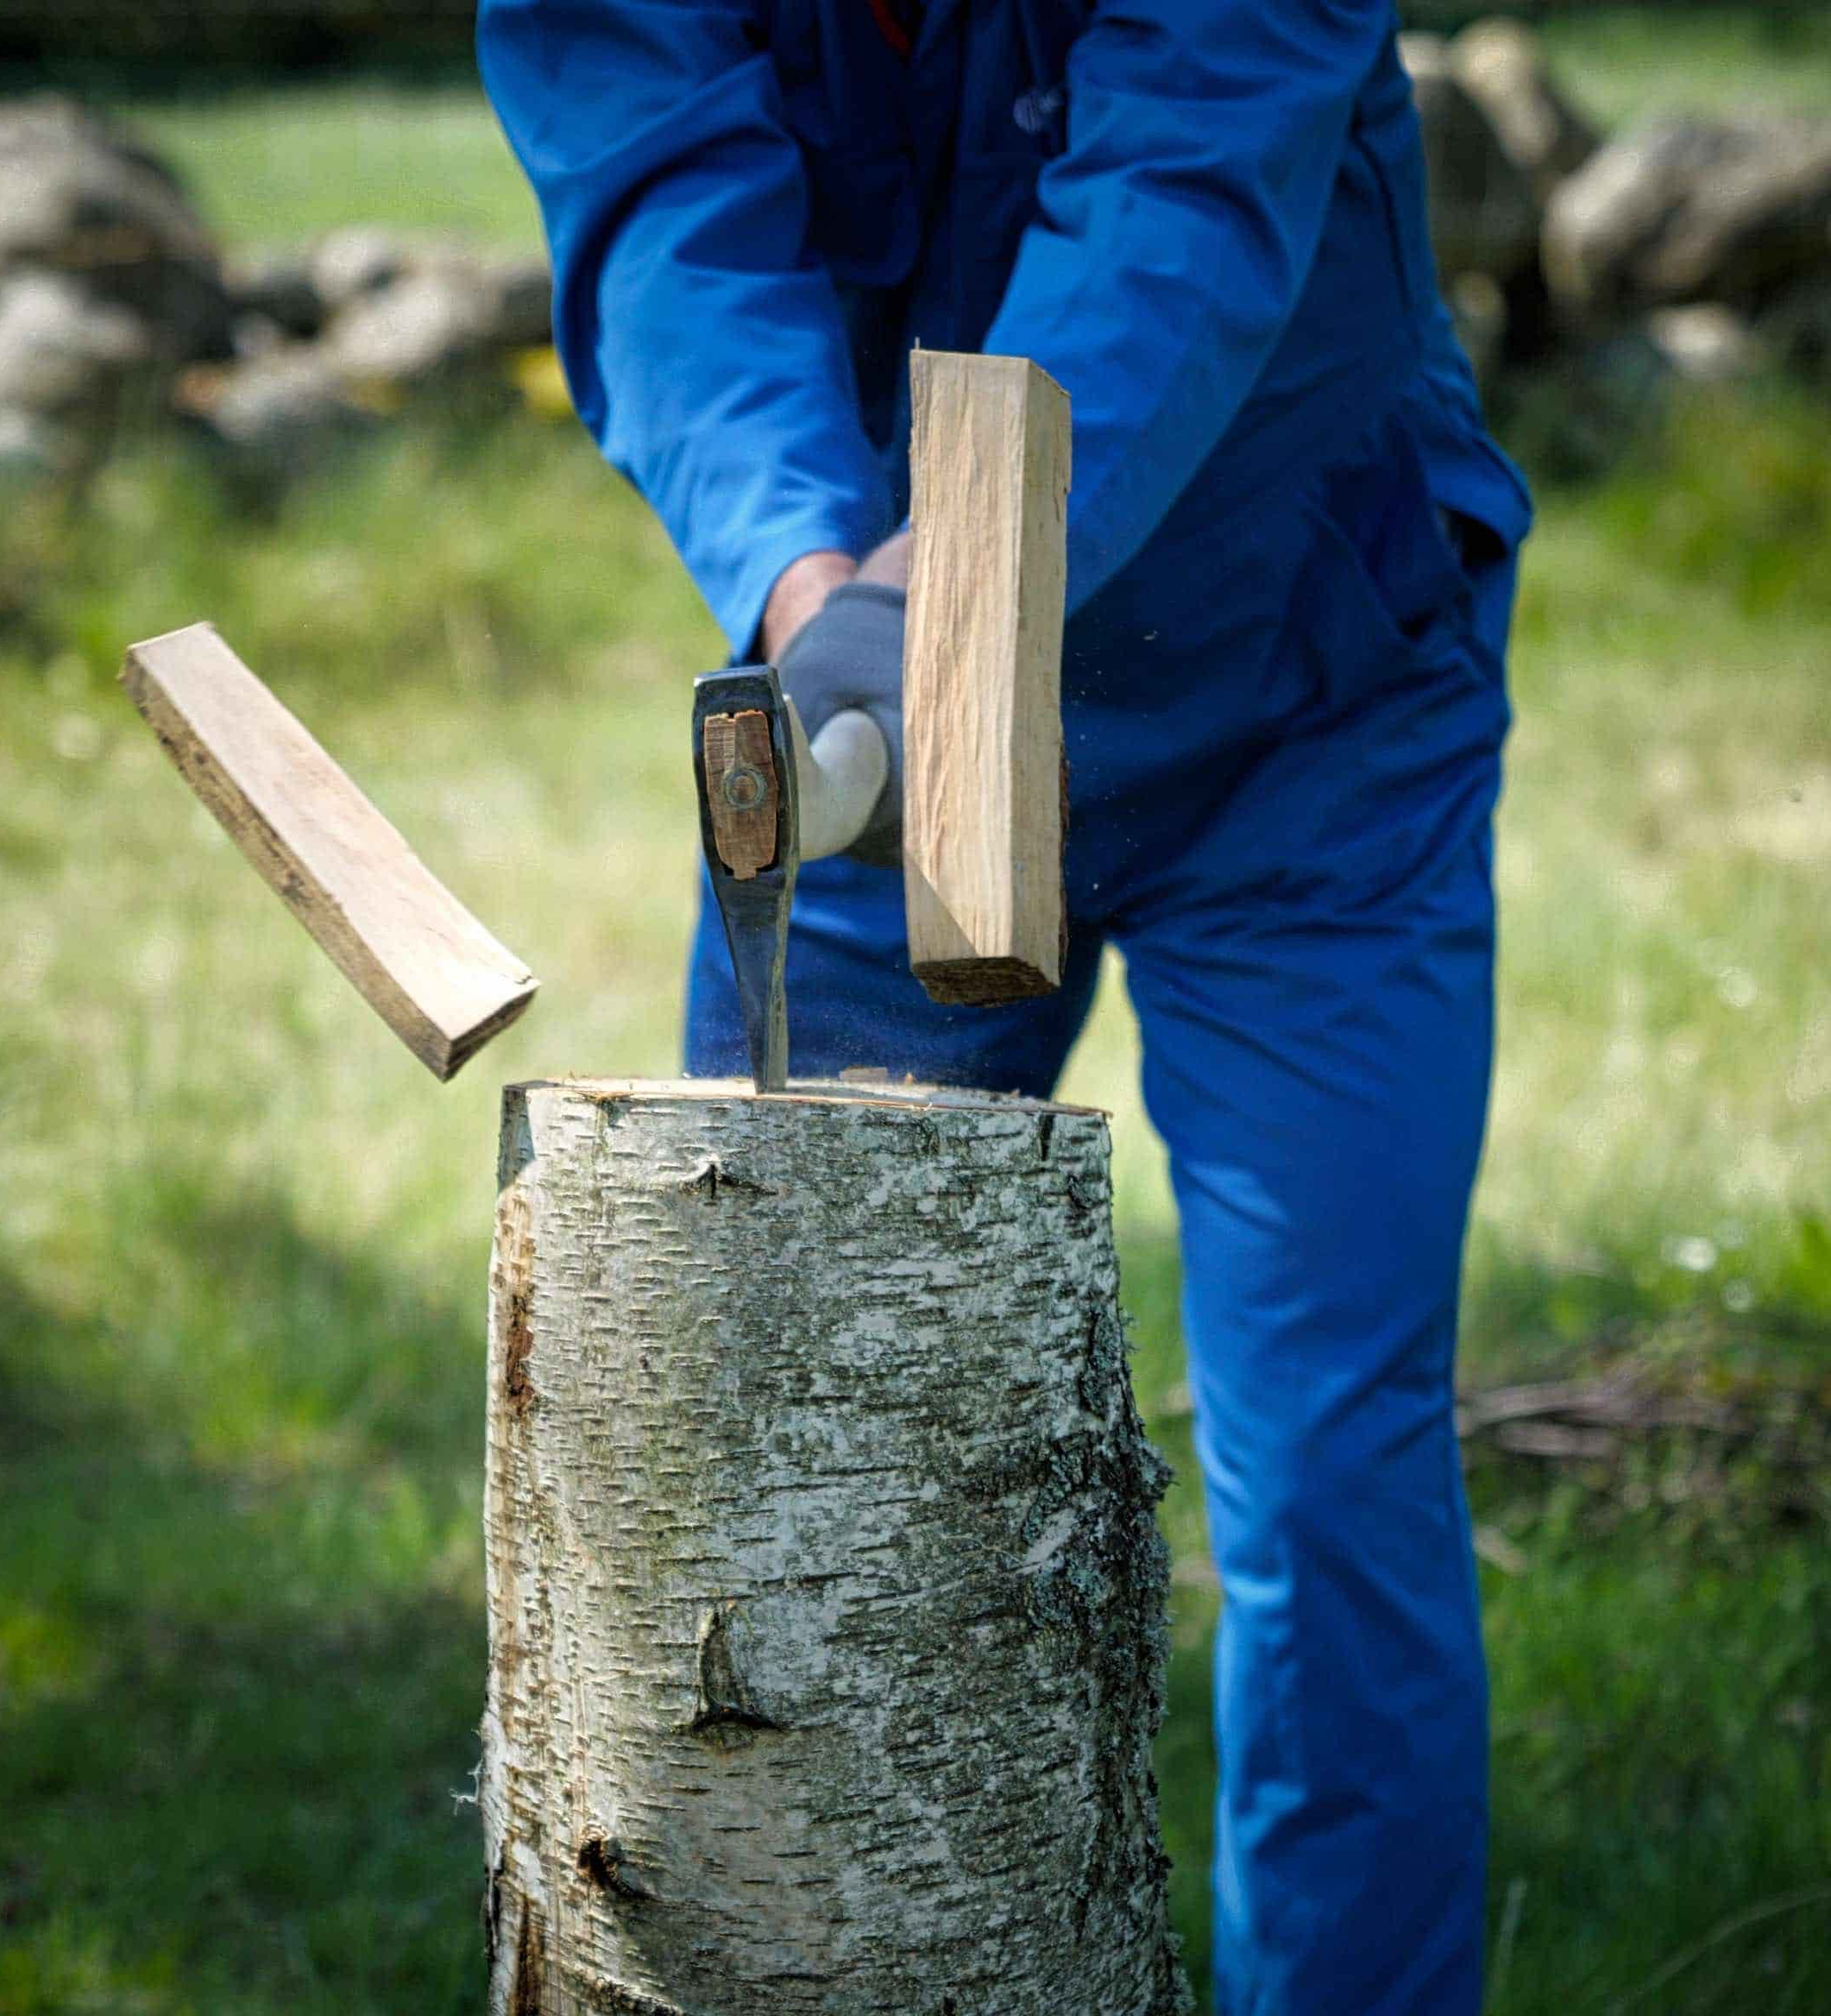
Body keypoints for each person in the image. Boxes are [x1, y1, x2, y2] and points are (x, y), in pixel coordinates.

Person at [478, 3, 1531, 2009]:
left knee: (1326, 1469)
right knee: (777, 1452)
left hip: (1306, 683)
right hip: (887, 751)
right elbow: (662, 199)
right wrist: (818, 599)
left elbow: (1187, 180)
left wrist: (942, 582)